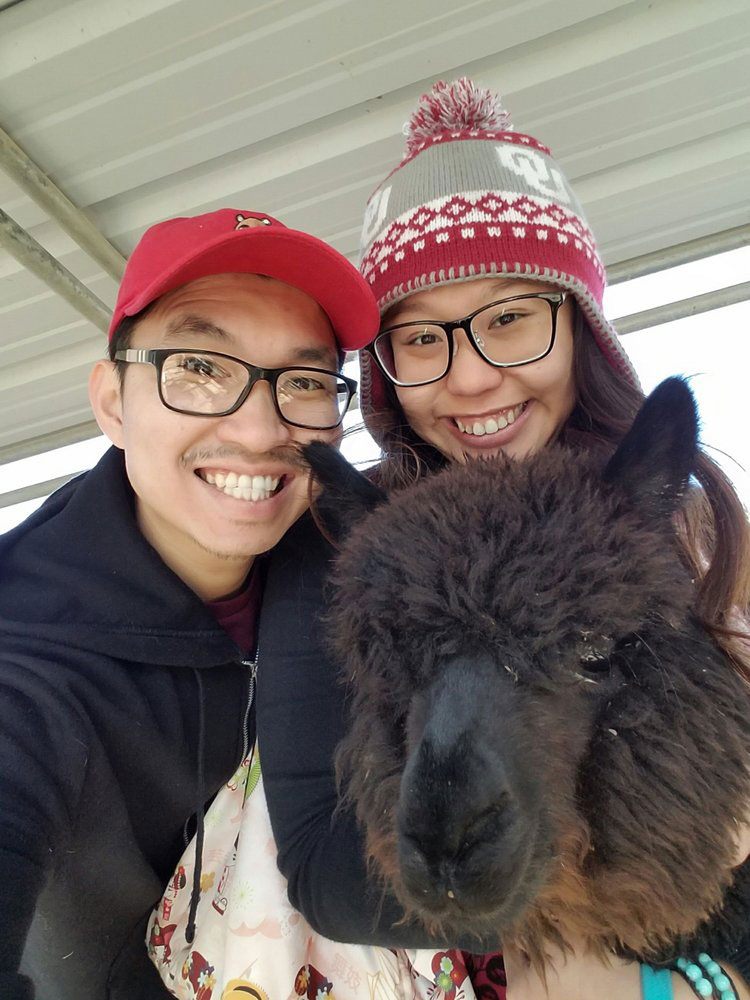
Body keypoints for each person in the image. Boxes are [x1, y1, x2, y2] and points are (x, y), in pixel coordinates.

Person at [150, 82, 750, 1000]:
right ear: (386, 369)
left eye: (509, 319)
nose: (470, 379)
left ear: (576, 324)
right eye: (423, 339)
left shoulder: (687, 523)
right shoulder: (346, 553)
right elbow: (326, 868)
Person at [0, 207, 379, 1000]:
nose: (257, 428)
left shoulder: (364, 574)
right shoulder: (26, 650)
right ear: (112, 401)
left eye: (305, 382)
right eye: (201, 368)